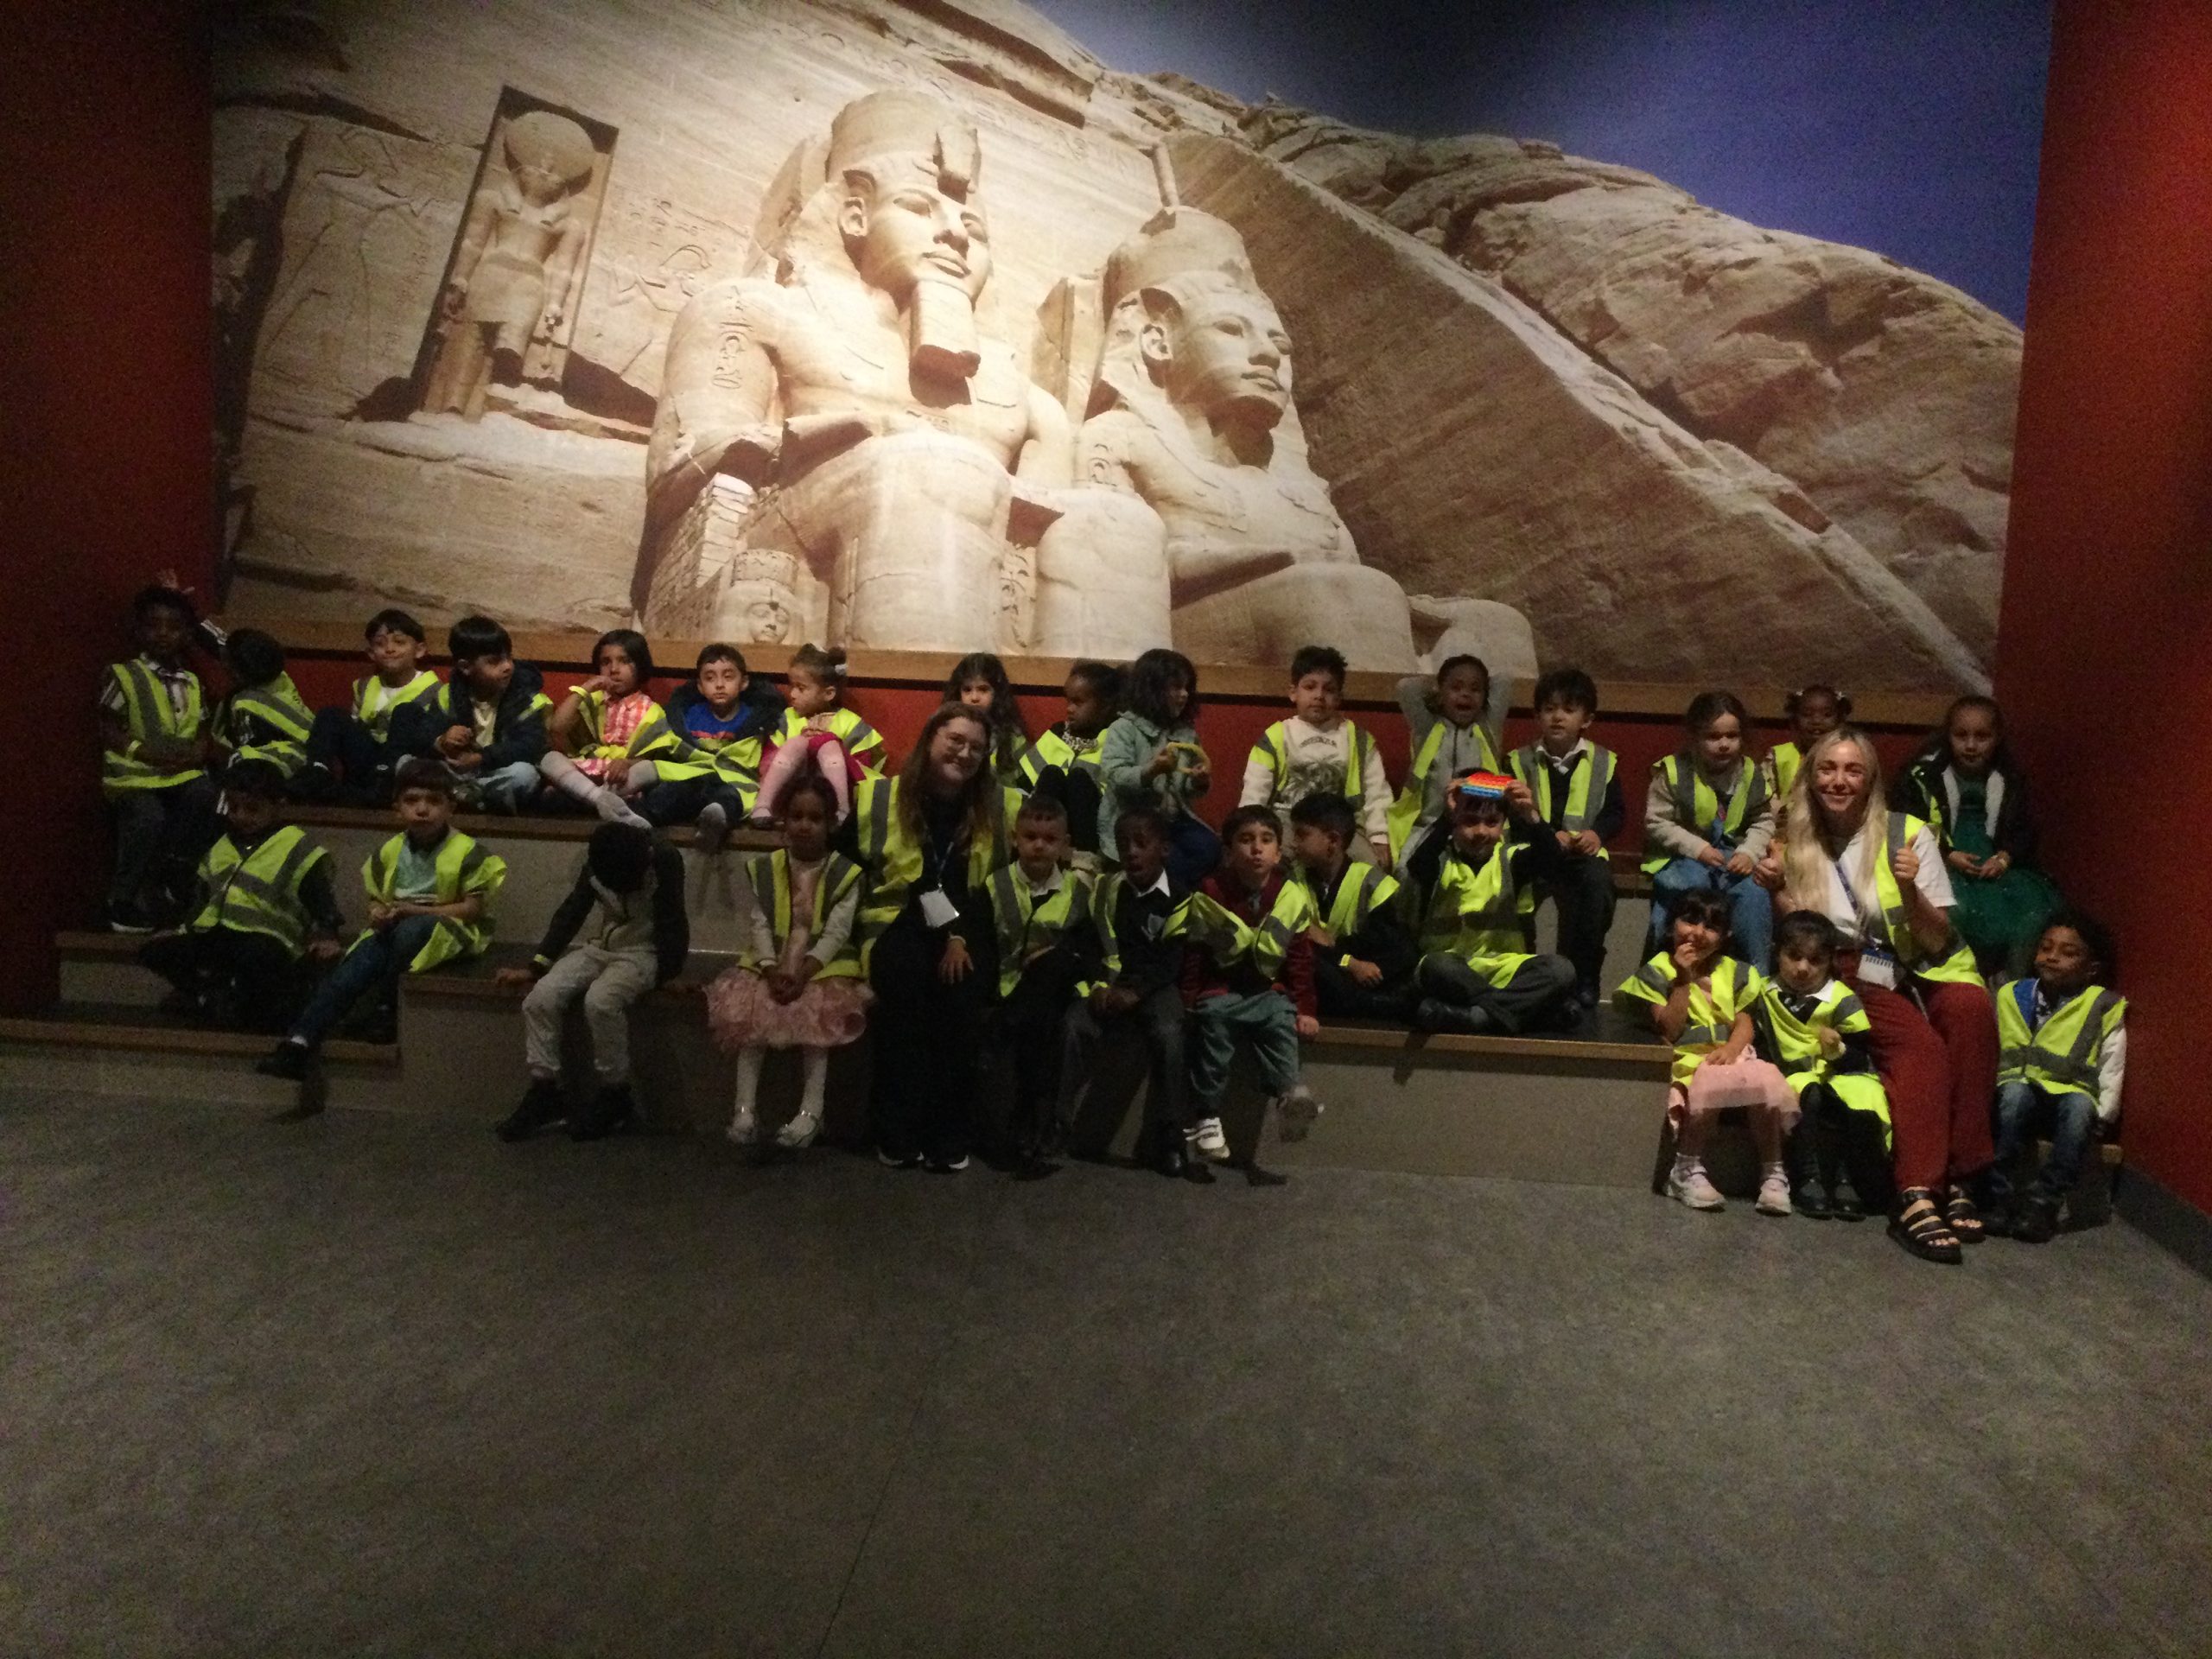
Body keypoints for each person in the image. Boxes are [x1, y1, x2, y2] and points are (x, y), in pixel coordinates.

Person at [1755, 726, 1998, 1264]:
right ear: (1810, 776)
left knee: (1971, 1010)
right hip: (1846, 966)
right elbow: (1801, 936)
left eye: (1852, 770)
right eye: (1827, 768)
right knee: (1920, 1048)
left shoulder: (1908, 834)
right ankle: (1918, 1192)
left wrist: (1909, 889)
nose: (1839, 781)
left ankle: (1963, 1175)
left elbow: (1935, 937)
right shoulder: (1792, 840)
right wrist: (1777, 890)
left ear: (1870, 780)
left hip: (1918, 958)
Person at [842, 703, 1023, 1172]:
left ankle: (949, 1133)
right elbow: (840, 871)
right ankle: (897, 1130)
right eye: (955, 740)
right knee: (906, 986)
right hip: (895, 922)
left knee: (962, 995)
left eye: (977, 749)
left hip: (970, 926)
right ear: (930, 740)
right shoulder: (877, 798)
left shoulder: (1002, 807)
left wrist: (959, 936)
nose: (965, 754)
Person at [257, 760, 507, 1077]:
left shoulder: (469, 851)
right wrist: (377, 912)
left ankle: (386, 1007)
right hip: (396, 924)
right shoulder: (390, 850)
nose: (422, 810)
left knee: (410, 932)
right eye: (411, 801)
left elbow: (472, 910)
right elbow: (377, 897)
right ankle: (298, 1043)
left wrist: (416, 911)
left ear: (451, 807)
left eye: (433, 801)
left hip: (450, 930)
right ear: (396, 808)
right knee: (349, 971)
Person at [493, 821, 689, 1143]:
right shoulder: (600, 860)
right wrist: (536, 966)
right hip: (602, 946)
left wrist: (667, 974)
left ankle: (615, 1094)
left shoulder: (664, 859)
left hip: (644, 951)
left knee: (601, 1001)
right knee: (540, 998)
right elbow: (573, 910)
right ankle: (545, 1090)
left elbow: (673, 919)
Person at [708, 775, 873, 1151]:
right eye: (796, 816)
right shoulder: (766, 868)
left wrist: (803, 972)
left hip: (823, 965)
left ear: (831, 824)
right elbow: (759, 922)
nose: (804, 826)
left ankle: (810, 1113)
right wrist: (770, 968)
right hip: (772, 962)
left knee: (815, 1022)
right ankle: (744, 1111)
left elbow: (837, 932)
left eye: (815, 818)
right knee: (752, 1014)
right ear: (783, 819)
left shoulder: (845, 873)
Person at [1617, 889, 1797, 1215]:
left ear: (1726, 936)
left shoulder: (1739, 971)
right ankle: (1685, 1167)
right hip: (1688, 1060)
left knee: (1767, 1080)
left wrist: (1732, 1048)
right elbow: (1670, 1029)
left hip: (1732, 1054)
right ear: (1672, 925)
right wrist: (1683, 979)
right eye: (1690, 921)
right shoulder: (1658, 969)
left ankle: (1773, 1171)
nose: (1698, 933)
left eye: (1712, 926)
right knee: (1711, 1080)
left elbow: (1745, 1021)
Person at [140, 759, 346, 1030]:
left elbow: (319, 896)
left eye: (252, 809)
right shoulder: (221, 846)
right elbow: (202, 899)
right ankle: (207, 994)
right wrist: (182, 930)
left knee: (258, 962)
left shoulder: (294, 844)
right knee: (156, 951)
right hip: (217, 933)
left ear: (279, 806)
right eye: (233, 807)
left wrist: (328, 932)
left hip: (268, 938)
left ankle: (228, 1001)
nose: (240, 816)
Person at [1059, 804, 1203, 1180]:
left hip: (1155, 987)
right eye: (1124, 845)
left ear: (1164, 849)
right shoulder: (1107, 889)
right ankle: (1055, 1124)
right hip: (1111, 982)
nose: (1132, 853)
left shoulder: (1180, 898)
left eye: (1141, 843)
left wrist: (1137, 992)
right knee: (1073, 1025)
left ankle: (1170, 1139)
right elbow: (1091, 944)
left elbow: (1171, 961)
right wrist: (1098, 985)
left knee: (1171, 1034)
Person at [1179, 804, 1325, 1164]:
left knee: (1281, 1021)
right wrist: (1189, 997)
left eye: (1266, 840)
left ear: (1278, 852)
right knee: (1214, 1030)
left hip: (1265, 990)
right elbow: (1196, 950)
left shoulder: (1291, 896)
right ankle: (1208, 1116)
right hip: (1221, 989)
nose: (1256, 849)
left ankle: (1290, 1095)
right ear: (1229, 851)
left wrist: (1306, 1009)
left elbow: (1299, 959)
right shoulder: (1211, 891)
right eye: (1245, 840)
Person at [1895, 695, 2063, 978]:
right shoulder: (1925, 774)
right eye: (1961, 736)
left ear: (1997, 738)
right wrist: (1947, 853)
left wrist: (2005, 857)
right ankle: (1959, 976)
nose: (1971, 746)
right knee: (1956, 910)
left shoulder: (2008, 777)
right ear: (1948, 736)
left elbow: (2022, 827)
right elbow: (1910, 821)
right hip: (1944, 856)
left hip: (1993, 856)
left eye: (1982, 737)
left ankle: (2011, 982)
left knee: (2032, 908)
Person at [1398, 772, 1579, 1037]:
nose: (1481, 832)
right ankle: (1526, 1012)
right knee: (1437, 966)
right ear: (1455, 822)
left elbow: (1554, 862)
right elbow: (1418, 866)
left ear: (1503, 824)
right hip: (1451, 969)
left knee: (1561, 970)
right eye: (1470, 821)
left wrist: (1531, 816)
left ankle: (1477, 1017)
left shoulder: (1512, 859)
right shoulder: (1438, 858)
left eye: (1492, 822)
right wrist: (1446, 817)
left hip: (1503, 969)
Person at [1987, 912, 2127, 1243]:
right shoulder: (2011, 994)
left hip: (2069, 1091)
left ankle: (2043, 1203)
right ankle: (1997, 1197)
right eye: (2046, 948)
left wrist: (2104, 1114)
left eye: (2068, 953)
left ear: (2091, 968)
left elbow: (2113, 1062)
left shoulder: (2102, 1005)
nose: (2052, 957)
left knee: (2079, 1110)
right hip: (2019, 1086)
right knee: (2013, 1099)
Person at [1751, 910, 1896, 1221]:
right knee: (1810, 1093)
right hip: (1794, 1073)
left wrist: (1837, 1049)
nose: (1803, 968)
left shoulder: (1842, 998)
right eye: (1794, 956)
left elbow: (1859, 1055)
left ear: (1830, 961)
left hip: (1840, 1072)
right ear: (1777, 953)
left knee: (1862, 1098)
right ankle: (1809, 1175)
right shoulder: (1764, 993)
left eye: (1815, 960)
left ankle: (1847, 1178)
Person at [985, 794, 1094, 1178]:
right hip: (1010, 987)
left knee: (1055, 966)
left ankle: (1027, 1118)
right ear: (1015, 839)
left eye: (1050, 839)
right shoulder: (996, 885)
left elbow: (1087, 950)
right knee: (1039, 1025)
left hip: (1055, 992)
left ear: (1065, 845)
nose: (1039, 846)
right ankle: (1031, 1119)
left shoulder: (1078, 892)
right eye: (1030, 837)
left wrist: (1054, 956)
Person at [100, 583, 220, 931]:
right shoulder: (125, 674)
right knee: (147, 817)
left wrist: (198, 752)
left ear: (186, 634)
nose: (164, 634)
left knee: (205, 794)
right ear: (139, 630)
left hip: (180, 770)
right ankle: (121, 900)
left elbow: (201, 728)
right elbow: (109, 725)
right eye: (154, 625)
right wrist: (141, 751)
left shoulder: (192, 681)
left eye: (174, 627)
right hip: (135, 773)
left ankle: (175, 869)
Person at [1507, 666, 1624, 1012]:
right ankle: (1519, 970)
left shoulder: (1604, 761)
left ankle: (1583, 975)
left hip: (1581, 853)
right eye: (1549, 709)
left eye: (1569, 709)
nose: (1557, 717)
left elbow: (1616, 811)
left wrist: (1597, 833)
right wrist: (1545, 833)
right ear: (1537, 716)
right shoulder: (1517, 760)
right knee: (1508, 882)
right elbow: (1510, 813)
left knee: (1597, 886)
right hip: (1534, 850)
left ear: (1586, 719)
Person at [1643, 690, 1776, 969]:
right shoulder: (1675, 771)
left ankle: (1756, 977)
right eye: (1713, 737)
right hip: (1684, 858)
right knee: (1688, 895)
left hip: (1734, 857)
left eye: (1732, 736)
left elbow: (1763, 820)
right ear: (1695, 737)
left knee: (1754, 895)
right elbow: (1657, 821)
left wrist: (1750, 853)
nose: (1724, 744)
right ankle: (1663, 971)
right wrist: (1698, 848)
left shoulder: (1751, 774)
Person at [1241, 644, 1391, 866]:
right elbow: (1255, 789)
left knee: (1368, 866)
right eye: (1310, 687)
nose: (1319, 695)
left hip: (1341, 825)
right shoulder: (1276, 736)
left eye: (1329, 690)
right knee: (1273, 860)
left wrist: (1379, 837)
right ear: (1293, 693)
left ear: (1339, 697)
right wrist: (1247, 829)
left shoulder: (1359, 739)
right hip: (1287, 821)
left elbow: (1376, 793)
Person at [389, 614, 550, 813]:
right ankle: (471, 797)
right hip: (455, 771)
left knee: (525, 775)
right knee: (405, 763)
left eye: (508, 657)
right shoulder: (448, 695)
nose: (507, 666)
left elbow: (529, 745)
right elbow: (426, 732)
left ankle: (466, 796)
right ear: (465, 667)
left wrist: (481, 758)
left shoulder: (526, 698)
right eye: (494, 661)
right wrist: (442, 740)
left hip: (495, 770)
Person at [638, 643, 787, 853]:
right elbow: (660, 741)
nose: (719, 685)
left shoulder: (759, 720)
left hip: (733, 781)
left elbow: (773, 756)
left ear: (744, 682)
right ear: (700, 686)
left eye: (728, 677)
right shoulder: (686, 716)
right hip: (692, 776)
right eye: (710, 678)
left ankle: (715, 821)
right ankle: (638, 821)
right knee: (670, 792)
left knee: (729, 798)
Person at [1287, 793, 1417, 1022]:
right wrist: (1349, 961)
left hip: (1360, 980)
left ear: (1333, 841)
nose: (1293, 843)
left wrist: (1338, 953)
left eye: (1302, 834)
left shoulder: (1375, 884)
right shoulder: (1290, 881)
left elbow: (1395, 951)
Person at [1096, 646, 1218, 889]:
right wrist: (1151, 770)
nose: (1184, 694)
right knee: (1171, 860)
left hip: (1172, 820)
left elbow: (1186, 787)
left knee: (1209, 848)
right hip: (1134, 821)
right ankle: (1169, 894)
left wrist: (1198, 781)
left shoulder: (1186, 734)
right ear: (1152, 689)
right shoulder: (1124, 728)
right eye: (1176, 687)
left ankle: (1173, 888)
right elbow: (1115, 774)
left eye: (1187, 688)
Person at [298, 608, 442, 806]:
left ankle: (385, 778)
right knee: (331, 714)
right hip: (367, 760)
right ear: (371, 653)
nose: (389, 649)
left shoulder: (435, 690)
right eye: (380, 644)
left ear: (419, 650)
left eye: (399, 642)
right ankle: (317, 771)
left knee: (406, 711)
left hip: (403, 765)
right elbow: (356, 723)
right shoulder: (364, 686)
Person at [539, 628, 672, 829]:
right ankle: (600, 799)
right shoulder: (592, 701)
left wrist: (626, 763)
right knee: (549, 759)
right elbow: (557, 728)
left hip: (623, 778)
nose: (614, 669)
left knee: (649, 769)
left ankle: (587, 798)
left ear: (640, 666)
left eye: (624, 661)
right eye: (606, 662)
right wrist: (585, 689)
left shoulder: (651, 710)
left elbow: (652, 757)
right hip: (587, 771)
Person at [749, 644, 884, 827]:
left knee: (828, 744)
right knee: (796, 743)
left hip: (831, 795)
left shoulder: (849, 723)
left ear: (828, 693)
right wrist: (802, 745)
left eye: (801, 688)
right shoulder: (788, 718)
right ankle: (763, 807)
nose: (792, 694)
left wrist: (830, 742)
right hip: (792, 793)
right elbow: (767, 762)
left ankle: (841, 812)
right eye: (791, 686)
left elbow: (862, 774)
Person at [1389, 653, 1500, 863]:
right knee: (1406, 870)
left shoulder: (1488, 729)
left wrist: (1475, 685)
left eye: (1475, 689)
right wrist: (1438, 687)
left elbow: (1505, 681)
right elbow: (1405, 688)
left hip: (1477, 825)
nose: (1465, 694)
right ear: (1440, 693)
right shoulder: (1427, 727)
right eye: (1456, 688)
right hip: (1427, 825)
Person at [1018, 660, 1120, 867]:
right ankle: (1041, 854)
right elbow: (1024, 784)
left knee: (1079, 778)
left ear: (1105, 706)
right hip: (1047, 827)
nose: (1069, 709)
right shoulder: (1056, 734)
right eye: (1068, 701)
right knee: (1051, 774)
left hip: (1092, 830)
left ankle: (1085, 863)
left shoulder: (1114, 740)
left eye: (1078, 702)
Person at [211, 628, 315, 785]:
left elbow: (252, 751)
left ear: (237, 670)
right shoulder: (281, 680)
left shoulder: (245, 703)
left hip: (277, 771)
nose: (223, 665)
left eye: (227, 661)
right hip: (311, 754)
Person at [946, 651, 1030, 786]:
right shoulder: (945, 732)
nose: (974, 698)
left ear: (997, 694)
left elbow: (1025, 789)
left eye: (983, 689)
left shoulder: (1013, 739)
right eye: (967, 690)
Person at [1762, 683, 1850, 811]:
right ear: (1794, 720)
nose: (1816, 721)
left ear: (1840, 720)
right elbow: (1765, 796)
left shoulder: (1850, 756)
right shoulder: (1778, 757)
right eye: (1807, 714)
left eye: (1827, 715)